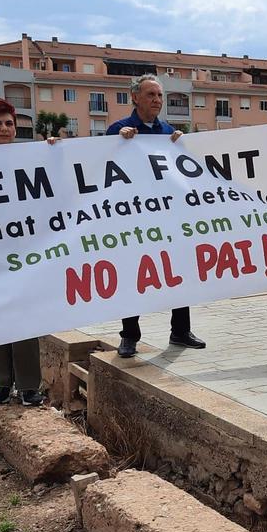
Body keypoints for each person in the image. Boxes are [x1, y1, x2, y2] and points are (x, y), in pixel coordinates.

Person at [106, 74, 205, 358]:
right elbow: (98, 164)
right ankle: (129, 336)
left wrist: (181, 145)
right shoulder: (119, 130)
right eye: (151, 95)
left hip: (168, 217)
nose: (157, 100)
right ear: (134, 97)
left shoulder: (169, 132)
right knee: (133, 274)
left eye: (160, 95)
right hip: (134, 218)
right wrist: (117, 143)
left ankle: (180, 331)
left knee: (180, 270)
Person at [0, 98, 47, 406]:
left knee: (26, 319)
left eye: (9, 123)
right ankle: (2, 383)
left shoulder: (31, 157)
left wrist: (56, 151)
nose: (4, 129)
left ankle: (30, 386)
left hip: (24, 251)